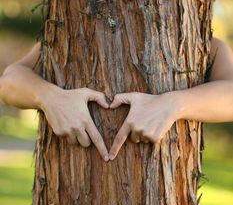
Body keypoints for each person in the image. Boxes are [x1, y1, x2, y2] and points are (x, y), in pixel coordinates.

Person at [0, 37, 233, 162]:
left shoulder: (205, 45)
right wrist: (48, 97)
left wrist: (173, 104)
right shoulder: (62, 36)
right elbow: (8, 81)